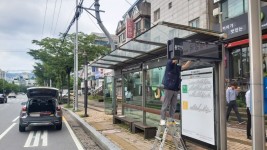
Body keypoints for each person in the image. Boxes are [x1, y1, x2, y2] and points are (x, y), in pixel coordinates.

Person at [160, 58, 192, 125]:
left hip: (175, 89)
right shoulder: (169, 63)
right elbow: (174, 60)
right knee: (165, 105)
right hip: (168, 88)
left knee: (173, 106)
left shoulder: (177, 67)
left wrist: (191, 58)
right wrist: (178, 56)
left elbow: (186, 66)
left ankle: (171, 119)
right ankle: (162, 120)